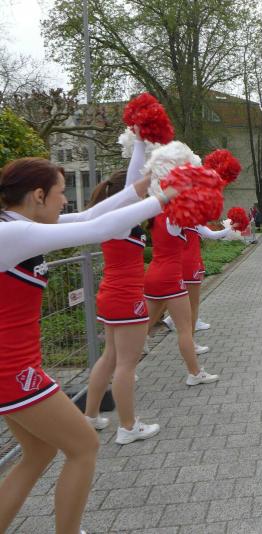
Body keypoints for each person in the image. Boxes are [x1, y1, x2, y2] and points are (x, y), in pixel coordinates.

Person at [0, 157, 178, 534]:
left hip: (15, 368)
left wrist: (142, 186)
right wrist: (168, 196)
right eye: (60, 192)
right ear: (38, 195)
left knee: (39, 452)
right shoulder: (12, 233)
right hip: (12, 372)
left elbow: (91, 216)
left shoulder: (19, 226)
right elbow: (99, 228)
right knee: (83, 447)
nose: (65, 201)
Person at [84, 138, 162, 446]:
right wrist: (140, 142)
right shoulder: (121, 220)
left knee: (110, 358)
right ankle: (128, 426)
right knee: (126, 364)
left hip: (112, 295)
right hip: (126, 297)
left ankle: (91, 417)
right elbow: (133, 182)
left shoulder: (114, 221)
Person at [144, 213, 220, 386]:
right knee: (185, 329)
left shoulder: (155, 216)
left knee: (141, 327)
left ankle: (120, 367)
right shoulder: (174, 219)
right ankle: (195, 373)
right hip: (171, 278)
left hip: (153, 275)